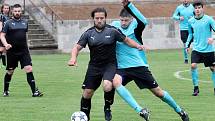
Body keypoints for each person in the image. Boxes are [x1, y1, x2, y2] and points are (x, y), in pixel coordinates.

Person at [111, 0, 189, 121]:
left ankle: (180, 110)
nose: (123, 23)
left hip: (138, 66)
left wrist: (129, 5)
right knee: (113, 83)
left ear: (131, 19)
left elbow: (144, 21)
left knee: (158, 93)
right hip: (122, 67)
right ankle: (140, 110)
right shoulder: (114, 26)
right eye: (121, 20)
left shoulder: (136, 27)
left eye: (126, 20)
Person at [68, 7, 145, 121]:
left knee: (108, 85)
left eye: (102, 18)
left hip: (110, 65)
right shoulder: (88, 33)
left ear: (105, 18)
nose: (99, 20)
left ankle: (107, 107)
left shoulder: (112, 31)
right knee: (87, 93)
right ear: (93, 19)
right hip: (94, 67)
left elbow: (127, 40)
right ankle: (85, 117)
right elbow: (77, 47)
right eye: (97, 18)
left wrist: (138, 46)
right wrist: (73, 58)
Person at [0, 4, 43, 97]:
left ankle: (34, 92)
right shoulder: (8, 23)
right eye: (15, 11)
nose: (17, 13)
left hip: (24, 51)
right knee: (10, 71)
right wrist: (6, 44)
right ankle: (6, 90)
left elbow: (25, 35)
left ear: (21, 12)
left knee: (29, 68)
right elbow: (2, 35)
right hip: (12, 52)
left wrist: (27, 45)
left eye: (19, 11)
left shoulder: (25, 22)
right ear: (12, 12)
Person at [186, 1, 215, 96]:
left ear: (202, 8)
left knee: (213, 68)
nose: (197, 10)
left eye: (199, 8)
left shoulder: (209, 20)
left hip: (209, 49)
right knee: (193, 65)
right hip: (197, 49)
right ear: (193, 9)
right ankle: (196, 88)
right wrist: (187, 45)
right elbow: (190, 34)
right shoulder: (191, 21)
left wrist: (212, 38)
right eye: (196, 8)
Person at [0, 4, 10, 68]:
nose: (6, 9)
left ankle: (4, 64)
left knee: (4, 50)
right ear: (2, 9)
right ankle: (4, 64)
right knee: (1, 49)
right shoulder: (1, 16)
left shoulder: (8, 17)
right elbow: (0, 25)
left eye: (7, 8)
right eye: (5, 8)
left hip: (6, 35)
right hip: (2, 34)